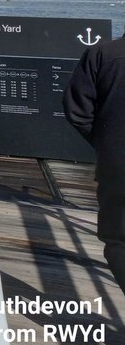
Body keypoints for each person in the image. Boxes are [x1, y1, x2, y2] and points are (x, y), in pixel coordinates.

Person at [62, 33, 125, 288]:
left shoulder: (102, 54)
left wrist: (107, 143)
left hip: (118, 165)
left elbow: (77, 110)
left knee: (119, 240)